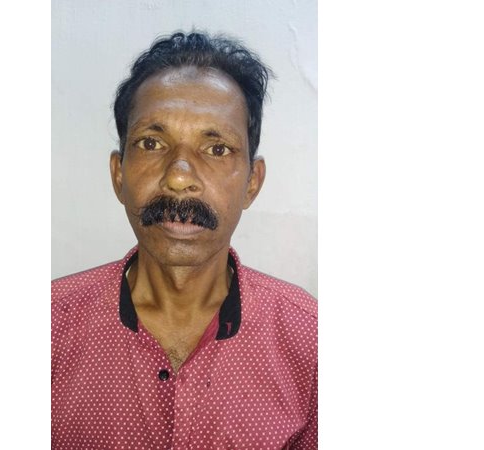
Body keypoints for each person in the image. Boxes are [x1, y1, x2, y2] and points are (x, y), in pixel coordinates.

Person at [52, 31, 317, 449]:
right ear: (119, 175)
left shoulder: (311, 343)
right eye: (152, 143)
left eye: (216, 149)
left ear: (252, 183)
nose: (178, 176)